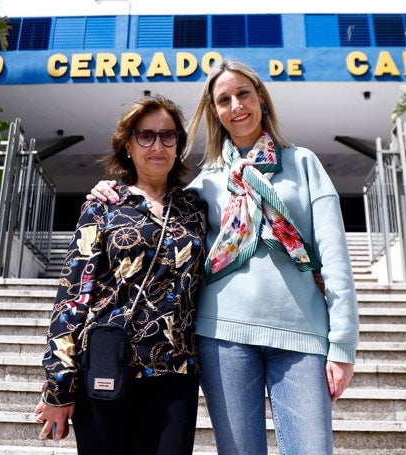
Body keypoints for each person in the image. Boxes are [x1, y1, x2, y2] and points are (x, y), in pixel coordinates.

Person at [89, 59, 360, 455]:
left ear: (261, 99)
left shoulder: (304, 164)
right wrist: (110, 189)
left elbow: (336, 261)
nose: (236, 106)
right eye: (223, 99)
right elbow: (153, 203)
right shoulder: (205, 184)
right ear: (215, 112)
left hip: (302, 334)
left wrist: (343, 345)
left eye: (243, 94)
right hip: (222, 337)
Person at [34, 94, 208, 455]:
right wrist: (58, 385)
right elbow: (72, 296)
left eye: (168, 135)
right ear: (128, 145)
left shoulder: (196, 209)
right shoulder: (104, 204)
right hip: (107, 364)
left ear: (178, 144)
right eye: (145, 136)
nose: (157, 145)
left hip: (174, 372)